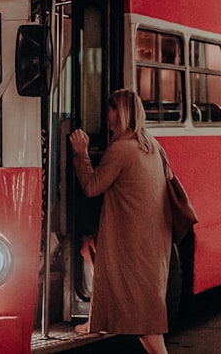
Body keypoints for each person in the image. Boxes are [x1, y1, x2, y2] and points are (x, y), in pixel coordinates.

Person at [69, 89, 171, 354]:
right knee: (90, 249)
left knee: (144, 320)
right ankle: (98, 317)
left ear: (121, 112)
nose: (107, 114)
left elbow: (92, 186)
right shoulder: (150, 145)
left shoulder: (121, 149)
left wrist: (81, 153)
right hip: (149, 239)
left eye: (111, 108)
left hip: (132, 243)